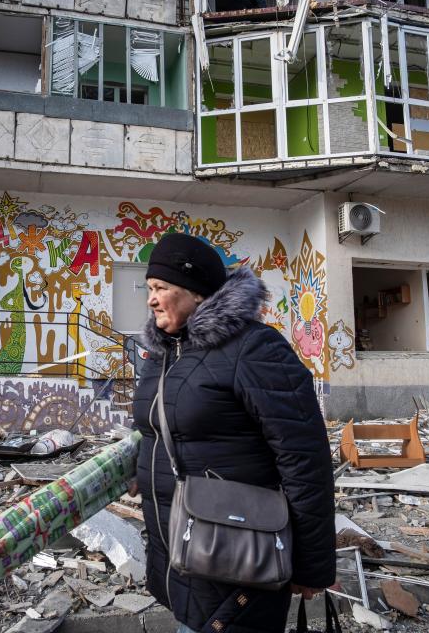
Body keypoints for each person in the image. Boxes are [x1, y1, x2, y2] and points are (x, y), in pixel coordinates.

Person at [128, 233, 336, 633]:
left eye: (161, 289)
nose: (151, 299)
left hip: (235, 553)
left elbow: (304, 459)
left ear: (198, 293)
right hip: (180, 554)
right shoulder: (166, 354)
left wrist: (311, 566)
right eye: (149, 289)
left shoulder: (255, 348)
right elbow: (161, 433)